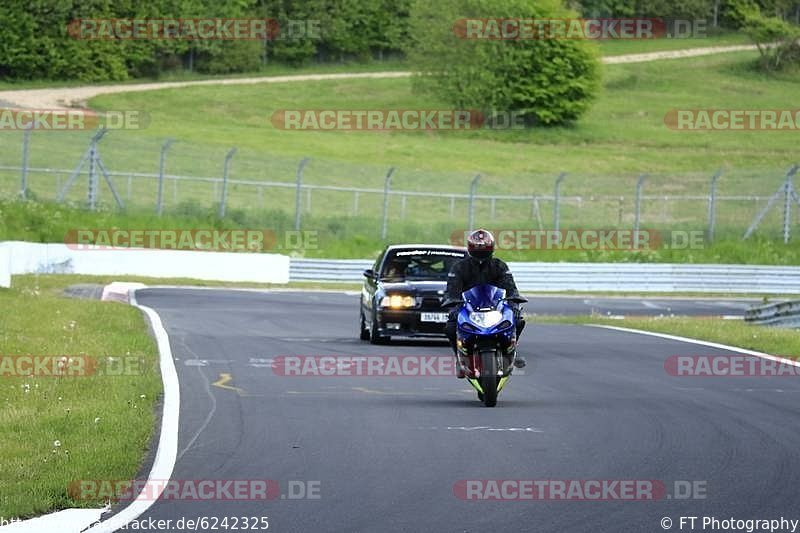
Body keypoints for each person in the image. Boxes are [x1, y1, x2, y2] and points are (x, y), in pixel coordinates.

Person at [445, 229, 526, 378]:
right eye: (478, 249)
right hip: (469, 308)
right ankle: (459, 358)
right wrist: (453, 306)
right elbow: (451, 291)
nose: (481, 252)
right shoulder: (460, 267)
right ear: (470, 248)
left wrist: (514, 303)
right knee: (450, 326)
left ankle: (511, 350)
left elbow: (510, 287)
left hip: (496, 307)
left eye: (484, 249)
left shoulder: (499, 266)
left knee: (519, 320)